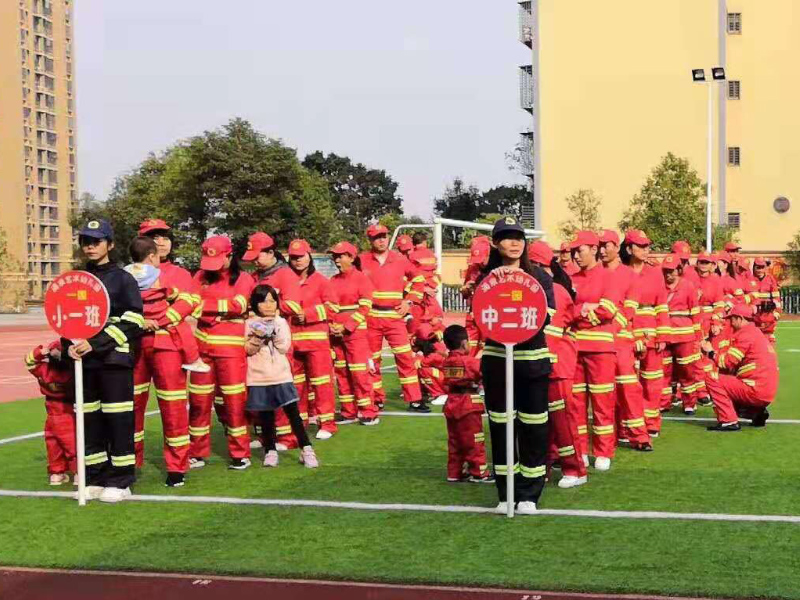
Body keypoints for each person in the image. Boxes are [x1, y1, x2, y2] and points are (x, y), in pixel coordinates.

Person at [478, 217, 554, 515]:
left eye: (518, 237)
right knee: (501, 426)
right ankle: (505, 489)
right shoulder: (487, 277)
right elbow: (481, 315)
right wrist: (493, 282)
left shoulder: (540, 278)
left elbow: (544, 316)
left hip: (532, 363)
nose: (514, 243)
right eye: (507, 237)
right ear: (496, 243)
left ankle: (529, 494)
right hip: (497, 362)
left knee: (534, 428)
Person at [67, 219, 144, 503]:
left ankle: (121, 479)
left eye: (97, 241)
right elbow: (66, 319)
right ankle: (96, 475)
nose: (90, 245)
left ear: (110, 244)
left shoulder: (123, 279)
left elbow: (134, 320)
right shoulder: (76, 279)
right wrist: (70, 346)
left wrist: (95, 343)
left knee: (118, 419)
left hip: (114, 361)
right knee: (90, 422)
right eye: (86, 240)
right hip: (84, 364)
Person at [125, 236, 203, 486]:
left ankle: (169, 466)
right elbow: (189, 302)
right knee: (159, 407)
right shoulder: (169, 275)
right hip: (154, 343)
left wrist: (148, 319)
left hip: (144, 344)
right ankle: (142, 464)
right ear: (151, 255)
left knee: (153, 406)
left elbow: (190, 300)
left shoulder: (124, 276)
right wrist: (163, 317)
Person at [188, 236, 255, 470]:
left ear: (229, 256)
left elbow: (240, 305)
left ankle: (240, 452)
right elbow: (191, 304)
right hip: (201, 349)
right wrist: (220, 310)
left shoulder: (244, 278)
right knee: (198, 402)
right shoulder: (199, 276)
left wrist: (206, 308)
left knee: (234, 402)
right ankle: (197, 451)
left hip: (230, 350)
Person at [527, 241, 588, 488]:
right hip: (539, 366)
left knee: (563, 420)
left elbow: (557, 331)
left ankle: (575, 469)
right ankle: (544, 466)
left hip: (554, 369)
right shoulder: (542, 289)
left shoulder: (555, 292)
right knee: (540, 421)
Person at [245, 285, 318, 468]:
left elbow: (284, 347)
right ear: (255, 304)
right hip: (257, 377)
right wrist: (258, 337)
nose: (268, 305)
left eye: (271, 300)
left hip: (281, 376)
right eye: (263, 301)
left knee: (293, 414)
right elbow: (247, 349)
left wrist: (273, 332)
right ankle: (270, 451)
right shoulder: (248, 323)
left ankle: (306, 449)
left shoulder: (281, 322)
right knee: (266, 417)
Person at [358, 223, 426, 412]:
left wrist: (409, 302)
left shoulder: (399, 259)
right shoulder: (361, 260)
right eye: (376, 237)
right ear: (370, 240)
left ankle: (415, 399)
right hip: (370, 317)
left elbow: (419, 280)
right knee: (372, 360)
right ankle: (376, 398)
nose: (381, 240)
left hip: (395, 316)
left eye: (384, 236)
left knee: (405, 357)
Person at [569, 230, 622, 471]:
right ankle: (579, 450)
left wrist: (581, 313)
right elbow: (567, 312)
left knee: (602, 403)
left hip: (601, 350)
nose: (575, 256)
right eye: (573, 252)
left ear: (593, 249)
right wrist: (585, 310)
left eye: (579, 251)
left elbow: (608, 310)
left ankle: (603, 450)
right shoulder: (572, 278)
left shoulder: (610, 277)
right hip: (575, 350)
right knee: (576, 405)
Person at [598, 230, 652, 452]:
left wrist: (610, 328)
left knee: (629, 389)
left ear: (616, 247)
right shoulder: (593, 273)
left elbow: (630, 308)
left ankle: (639, 435)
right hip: (595, 340)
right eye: (598, 246)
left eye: (606, 245)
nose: (601, 250)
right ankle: (609, 437)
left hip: (619, 339)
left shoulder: (628, 275)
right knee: (602, 393)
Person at [284, 239, 337, 441]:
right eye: (294, 257)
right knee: (296, 385)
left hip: (316, 342)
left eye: (301, 256)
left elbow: (333, 308)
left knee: (321, 384)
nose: (297, 261)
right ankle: (301, 422)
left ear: (309, 255)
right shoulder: (286, 280)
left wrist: (308, 314)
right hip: (291, 342)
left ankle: (327, 424)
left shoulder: (322, 281)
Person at [325, 241, 380, 426]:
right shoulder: (332, 281)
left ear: (351, 257)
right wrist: (332, 325)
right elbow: (329, 306)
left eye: (340, 256)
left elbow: (365, 306)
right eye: (335, 257)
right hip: (336, 334)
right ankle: (348, 411)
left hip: (355, 333)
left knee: (359, 373)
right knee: (341, 371)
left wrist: (346, 326)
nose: (336, 260)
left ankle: (368, 411)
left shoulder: (361, 278)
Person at [622, 230, 668, 438]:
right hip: (628, 335)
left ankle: (651, 422)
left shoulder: (655, 273)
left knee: (653, 381)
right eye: (640, 246)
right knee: (628, 382)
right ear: (629, 249)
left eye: (647, 246)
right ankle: (628, 423)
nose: (645, 250)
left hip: (651, 335)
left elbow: (661, 305)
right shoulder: (620, 272)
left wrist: (663, 335)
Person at [702, 304, 778, 431]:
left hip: (754, 389)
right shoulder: (756, 333)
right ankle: (755, 412)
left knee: (712, 377)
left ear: (740, 318)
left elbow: (727, 362)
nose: (730, 323)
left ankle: (728, 421)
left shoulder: (744, 335)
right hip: (766, 390)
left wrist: (710, 352)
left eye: (732, 319)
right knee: (729, 380)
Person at [441, 324, 492, 484]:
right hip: (468, 404)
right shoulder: (469, 362)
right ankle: (479, 472)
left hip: (452, 403)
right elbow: (485, 373)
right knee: (474, 441)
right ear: (464, 343)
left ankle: (454, 472)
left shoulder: (447, 361)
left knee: (455, 441)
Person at [26, 342, 76, 486]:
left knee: (53, 445)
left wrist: (41, 352)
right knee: (72, 444)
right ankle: (78, 473)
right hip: (67, 412)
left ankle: (56, 474)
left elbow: (29, 361)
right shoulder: (71, 372)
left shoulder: (42, 369)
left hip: (51, 412)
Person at [660, 255, 704, 416]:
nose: (668, 275)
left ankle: (689, 402)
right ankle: (663, 402)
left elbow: (695, 313)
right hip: (665, 336)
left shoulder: (688, 286)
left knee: (686, 371)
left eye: (671, 271)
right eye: (665, 271)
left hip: (685, 337)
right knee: (664, 371)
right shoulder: (659, 286)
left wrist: (698, 338)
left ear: (679, 270)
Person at [461, 236, 490, 356]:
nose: (479, 263)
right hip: (472, 315)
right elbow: (465, 293)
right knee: (467, 348)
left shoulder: (496, 269)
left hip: (489, 315)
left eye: (481, 259)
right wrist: (465, 289)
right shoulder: (472, 269)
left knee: (486, 350)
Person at [412, 324, 448, 406]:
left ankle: (441, 394)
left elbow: (420, 363)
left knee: (423, 370)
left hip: (452, 381)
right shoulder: (436, 344)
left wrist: (418, 356)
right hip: (453, 379)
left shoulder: (434, 351)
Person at [752, 257, 782, 345]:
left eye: (762, 267)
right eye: (758, 267)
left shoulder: (770, 279)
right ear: (754, 267)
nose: (760, 270)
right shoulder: (749, 279)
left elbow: (776, 298)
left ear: (765, 268)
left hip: (768, 314)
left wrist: (777, 312)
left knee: (769, 339)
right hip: (754, 315)